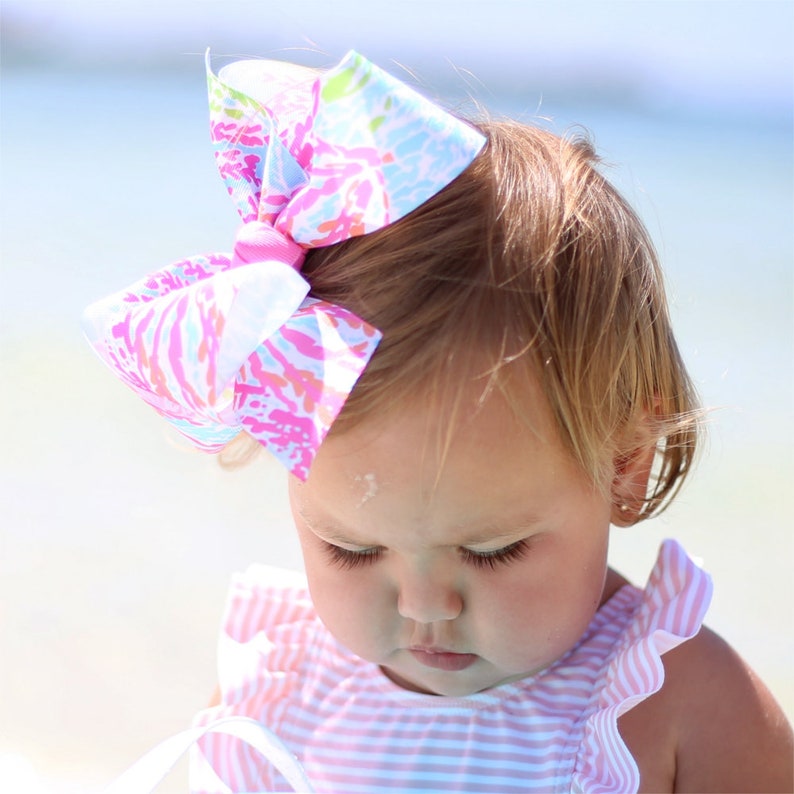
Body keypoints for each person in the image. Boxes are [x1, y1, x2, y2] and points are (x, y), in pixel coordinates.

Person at [84, 51, 792, 793]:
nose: (425, 606)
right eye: (351, 550)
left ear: (625, 460)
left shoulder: (674, 706)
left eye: (492, 551)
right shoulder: (278, 689)